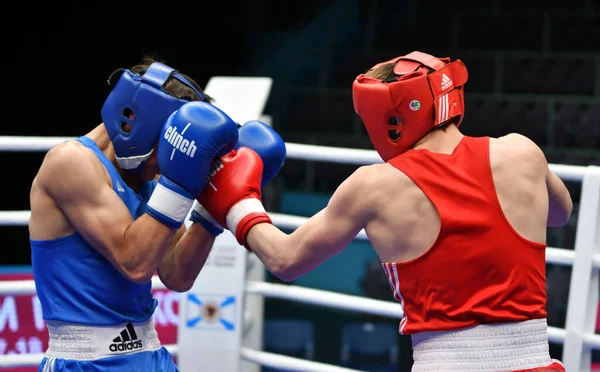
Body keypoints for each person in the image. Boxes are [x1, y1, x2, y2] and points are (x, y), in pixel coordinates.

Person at [194, 51, 573, 371]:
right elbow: (560, 212)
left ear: (390, 116)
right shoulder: (522, 151)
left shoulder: (375, 185)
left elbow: (285, 259)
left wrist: (234, 201)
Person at [28, 56, 285, 371]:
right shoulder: (70, 163)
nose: (166, 163)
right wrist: (180, 184)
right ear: (137, 120)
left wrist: (212, 209)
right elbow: (134, 262)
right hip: (84, 361)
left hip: (150, 355)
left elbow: (176, 275)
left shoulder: (150, 177)